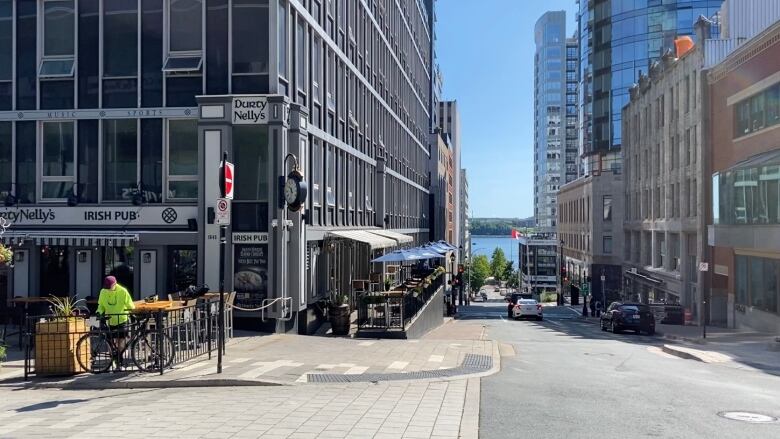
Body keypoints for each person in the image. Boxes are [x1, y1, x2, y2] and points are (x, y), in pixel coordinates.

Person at [96, 276, 135, 357]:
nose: (108, 289)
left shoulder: (123, 291)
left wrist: (131, 309)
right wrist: (99, 312)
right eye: (106, 287)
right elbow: (101, 306)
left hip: (122, 320)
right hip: (110, 320)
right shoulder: (103, 292)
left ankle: (119, 359)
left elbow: (130, 305)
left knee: (121, 341)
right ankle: (113, 360)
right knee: (110, 343)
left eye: (109, 287)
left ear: (115, 284)